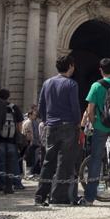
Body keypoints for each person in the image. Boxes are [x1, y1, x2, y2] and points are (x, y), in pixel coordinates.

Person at [79, 58, 110, 206]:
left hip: (101, 127)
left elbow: (90, 109)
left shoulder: (96, 86)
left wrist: (95, 123)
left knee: (96, 159)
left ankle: (89, 198)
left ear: (100, 70)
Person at [35, 55, 81, 207]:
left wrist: (46, 119)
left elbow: (41, 105)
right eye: (73, 65)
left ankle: (40, 195)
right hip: (68, 126)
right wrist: (77, 123)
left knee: (48, 161)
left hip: (51, 126)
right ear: (70, 66)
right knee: (64, 162)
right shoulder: (71, 84)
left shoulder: (47, 83)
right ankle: (58, 196)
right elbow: (75, 106)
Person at [0, 88, 25, 192]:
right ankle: (17, 183)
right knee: (14, 162)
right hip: (12, 140)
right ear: (9, 96)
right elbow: (19, 124)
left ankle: (2, 184)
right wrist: (18, 135)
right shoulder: (14, 107)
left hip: (0, 139)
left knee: (0, 162)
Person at [23, 107, 41, 177]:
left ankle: (31, 172)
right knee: (28, 158)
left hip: (34, 143)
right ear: (30, 115)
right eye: (34, 115)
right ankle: (27, 173)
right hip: (29, 143)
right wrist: (30, 141)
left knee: (32, 158)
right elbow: (28, 133)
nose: (35, 116)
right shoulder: (28, 122)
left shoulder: (34, 122)